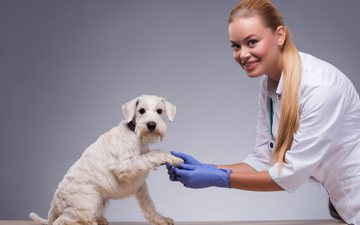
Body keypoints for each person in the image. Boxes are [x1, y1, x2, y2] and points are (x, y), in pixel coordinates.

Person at [166, 0, 360, 224]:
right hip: (342, 204)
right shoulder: (270, 82)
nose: (243, 54)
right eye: (236, 46)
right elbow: (263, 158)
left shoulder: (321, 89)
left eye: (252, 42)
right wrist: (207, 167)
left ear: (280, 35)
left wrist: (216, 178)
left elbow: (288, 176)